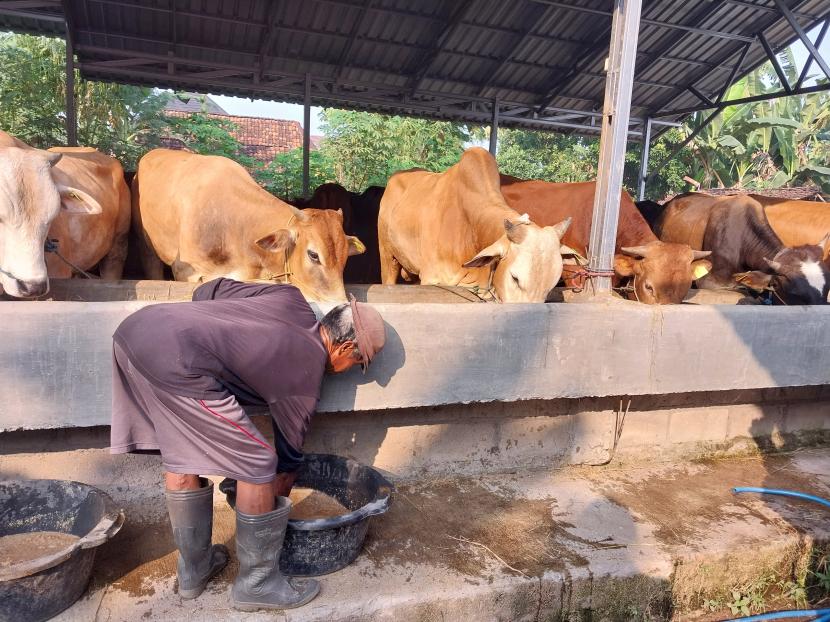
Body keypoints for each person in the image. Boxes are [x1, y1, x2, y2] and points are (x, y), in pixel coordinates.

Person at [109, 278, 386, 611]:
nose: (350, 370)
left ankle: (194, 571)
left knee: (182, 457)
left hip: (138, 331)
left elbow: (205, 291)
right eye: (357, 363)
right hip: (180, 360)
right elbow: (287, 464)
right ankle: (258, 584)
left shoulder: (290, 296)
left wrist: (211, 336)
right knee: (259, 465)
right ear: (344, 349)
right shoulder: (306, 372)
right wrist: (271, 509)